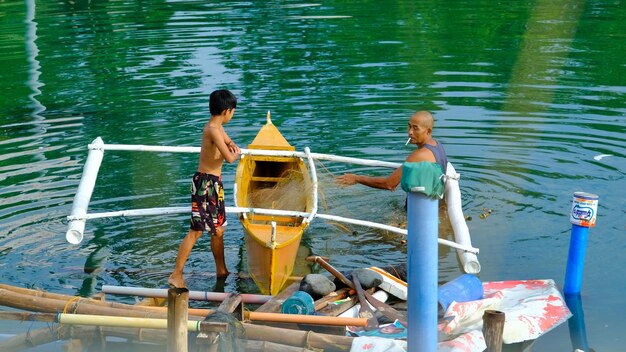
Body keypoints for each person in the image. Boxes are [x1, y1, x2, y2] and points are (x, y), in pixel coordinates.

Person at [168, 89, 241, 288]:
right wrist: (237, 152)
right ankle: (176, 274)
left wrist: (232, 143)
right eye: (233, 111)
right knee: (196, 231)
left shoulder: (217, 126)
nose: (232, 115)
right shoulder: (212, 129)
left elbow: (227, 141)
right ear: (227, 111)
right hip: (205, 185)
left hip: (214, 184)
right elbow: (229, 157)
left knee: (219, 229)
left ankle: (221, 270)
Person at [336, 110, 447, 190]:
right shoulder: (437, 145)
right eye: (409, 126)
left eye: (415, 128)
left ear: (428, 131)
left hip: (417, 213)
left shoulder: (419, 155)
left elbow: (389, 184)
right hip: (431, 207)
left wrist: (356, 178)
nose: (410, 132)